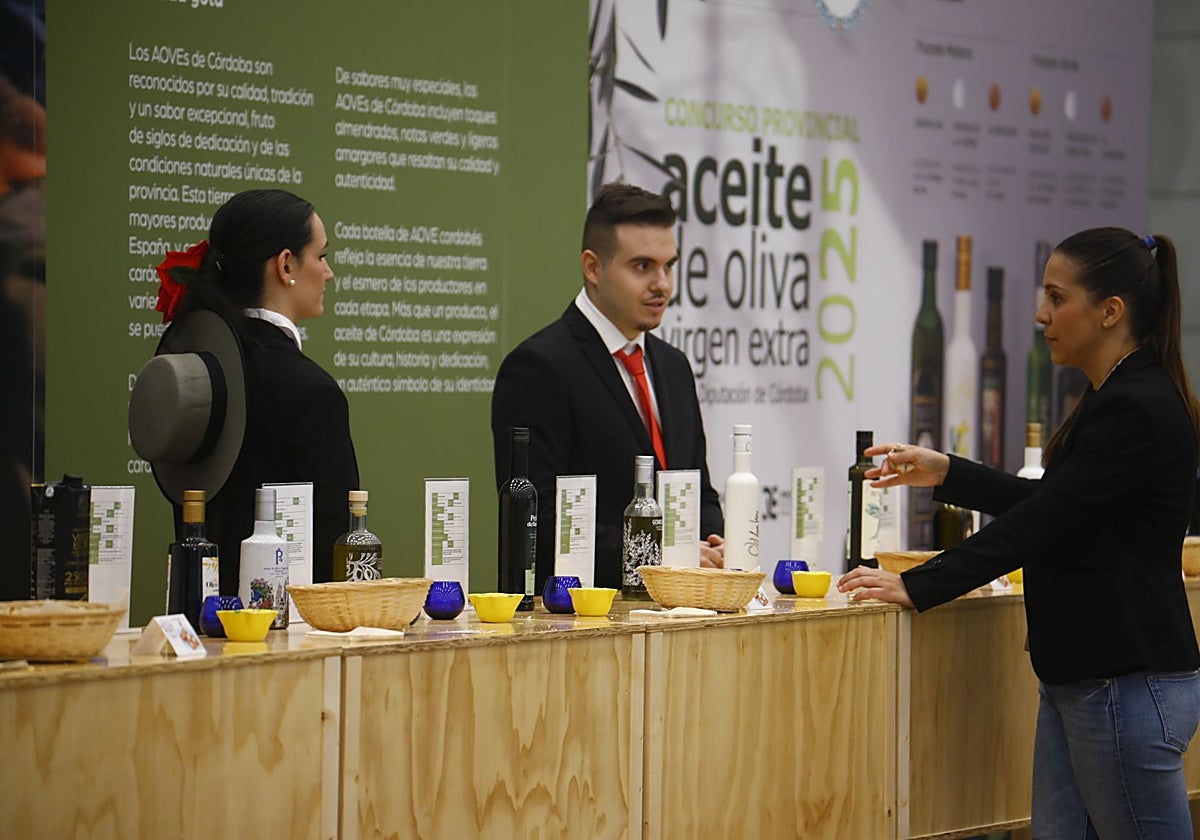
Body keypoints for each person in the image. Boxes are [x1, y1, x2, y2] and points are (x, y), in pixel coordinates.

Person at [839, 228, 1200, 837]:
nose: (1041, 315)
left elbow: (1045, 520)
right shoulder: (1116, 394)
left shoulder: (1136, 403)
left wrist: (920, 583)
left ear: (1110, 311)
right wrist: (949, 471)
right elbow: (1062, 506)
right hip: (1085, 679)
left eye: (1057, 298)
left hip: (1122, 683)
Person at [491, 183, 724, 592]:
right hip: (581, 620)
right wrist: (665, 553)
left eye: (669, 266)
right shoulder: (539, 367)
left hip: (685, 611)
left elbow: (698, 489)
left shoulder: (673, 366)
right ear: (593, 267)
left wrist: (714, 543)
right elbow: (541, 519)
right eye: (642, 266)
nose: (663, 285)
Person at [162, 189, 359, 590]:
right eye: (321, 256)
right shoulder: (311, 392)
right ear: (286, 264)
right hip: (294, 634)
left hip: (202, 616)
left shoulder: (194, 373)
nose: (328, 272)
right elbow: (337, 553)